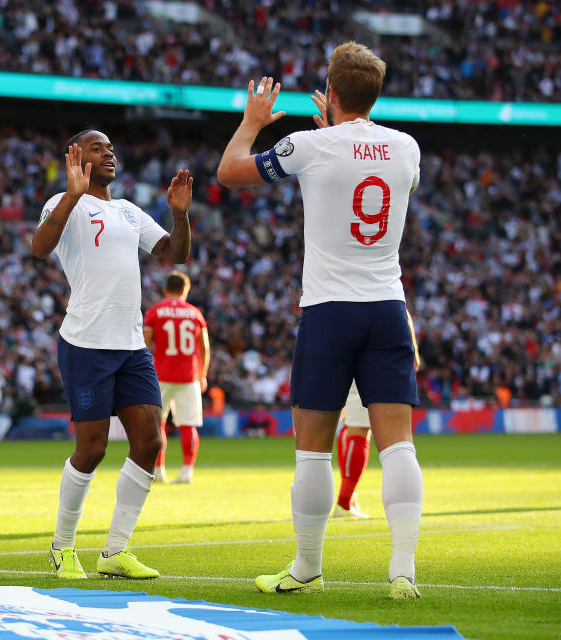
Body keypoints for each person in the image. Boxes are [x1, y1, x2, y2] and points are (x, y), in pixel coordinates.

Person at [216, 42, 424, 600]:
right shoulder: (406, 148)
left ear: (329, 93)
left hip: (329, 310)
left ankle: (308, 565)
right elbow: (374, 171)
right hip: (386, 307)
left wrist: (252, 122)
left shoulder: (308, 144)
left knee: (312, 447)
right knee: (397, 446)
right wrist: (338, 133)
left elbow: (229, 172)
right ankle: (402, 572)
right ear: (374, 93)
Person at [31, 129, 193, 579]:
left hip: (131, 344)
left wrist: (180, 216)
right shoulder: (63, 203)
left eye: (112, 148)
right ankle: (62, 548)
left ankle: (115, 551)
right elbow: (39, 248)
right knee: (92, 449)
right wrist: (71, 195)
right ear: (77, 155)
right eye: (98, 147)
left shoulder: (127, 211)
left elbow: (174, 253)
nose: (110, 153)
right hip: (86, 342)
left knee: (151, 442)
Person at [335, 309, 421, 519]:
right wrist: (413, 350)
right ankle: (344, 503)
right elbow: (402, 314)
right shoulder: (386, 293)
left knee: (350, 425)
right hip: (371, 361)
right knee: (360, 429)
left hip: (345, 356)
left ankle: (348, 498)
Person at [143, 271, 210, 484]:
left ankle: (159, 470)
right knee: (188, 425)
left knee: (157, 424)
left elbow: (145, 344)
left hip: (160, 375)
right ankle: (186, 472)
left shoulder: (155, 312)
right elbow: (205, 347)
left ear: (165, 289)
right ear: (185, 290)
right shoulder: (195, 313)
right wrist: (203, 375)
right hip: (189, 375)